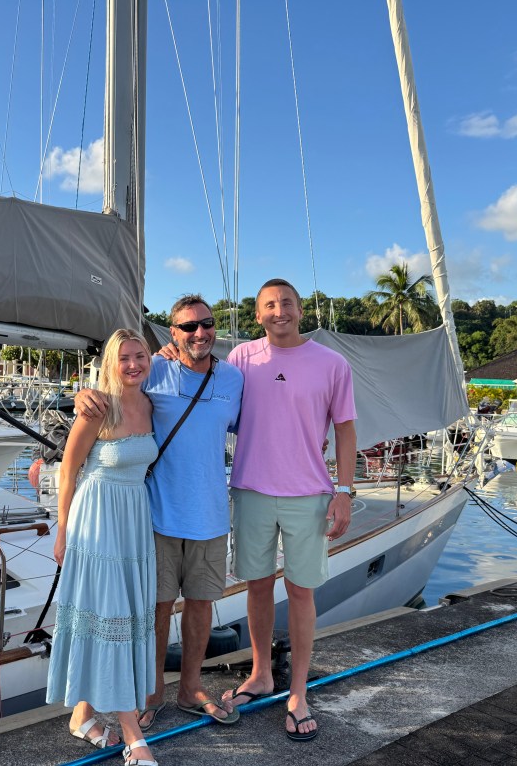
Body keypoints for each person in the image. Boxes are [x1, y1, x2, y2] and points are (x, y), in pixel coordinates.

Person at [74, 295, 243, 729]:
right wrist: (83, 394)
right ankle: (152, 692)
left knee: (201, 605)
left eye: (206, 324)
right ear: (173, 332)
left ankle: (190, 689)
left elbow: (258, 427)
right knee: (156, 609)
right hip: (157, 514)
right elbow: (117, 385)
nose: (199, 333)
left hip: (210, 514)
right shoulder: (156, 369)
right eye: (188, 327)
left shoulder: (233, 378)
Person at [221, 278, 357, 743]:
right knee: (257, 586)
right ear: (258, 314)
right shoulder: (241, 358)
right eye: (269, 305)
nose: (279, 311)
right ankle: (261, 674)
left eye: (287, 303)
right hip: (251, 490)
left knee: (301, 591)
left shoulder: (332, 364)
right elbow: (209, 398)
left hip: (309, 495)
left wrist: (344, 491)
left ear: (301, 310)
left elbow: (345, 429)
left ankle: (298, 692)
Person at [45, 329, 159, 766]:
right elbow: (68, 472)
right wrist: (62, 531)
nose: (133, 365)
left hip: (133, 520)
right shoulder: (97, 409)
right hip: (97, 521)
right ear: (111, 363)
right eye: (124, 358)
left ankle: (81, 715)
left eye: (140, 356)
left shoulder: (151, 404)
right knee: (111, 616)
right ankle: (133, 735)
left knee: (120, 615)